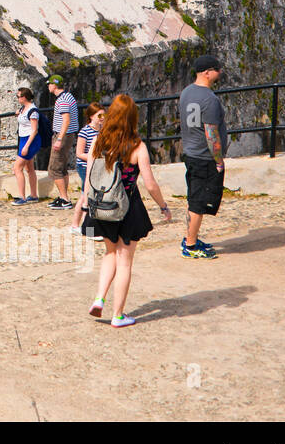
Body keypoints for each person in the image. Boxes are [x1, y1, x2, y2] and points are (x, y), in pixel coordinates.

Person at [84, 94, 173, 327]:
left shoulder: (98, 141)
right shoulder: (137, 146)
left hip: (102, 204)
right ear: (133, 118)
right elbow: (150, 184)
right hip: (127, 207)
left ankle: (99, 299)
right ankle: (118, 315)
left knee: (109, 253)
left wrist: (87, 204)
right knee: (125, 262)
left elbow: (89, 177)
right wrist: (163, 206)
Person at [177, 56, 227, 259]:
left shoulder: (186, 92)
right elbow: (211, 134)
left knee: (193, 198)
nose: (220, 72)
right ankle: (190, 246)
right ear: (207, 72)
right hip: (204, 157)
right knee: (198, 203)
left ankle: (191, 237)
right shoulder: (210, 99)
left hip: (190, 152)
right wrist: (219, 160)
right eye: (217, 69)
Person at [71, 102, 105, 238]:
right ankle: (79, 226)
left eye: (103, 115)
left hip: (97, 166)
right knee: (86, 196)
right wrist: (95, 157)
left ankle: (83, 226)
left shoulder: (102, 131)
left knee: (88, 196)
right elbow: (79, 153)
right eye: (99, 115)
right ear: (91, 116)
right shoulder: (84, 132)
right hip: (85, 167)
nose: (102, 118)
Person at [46, 75, 79, 210]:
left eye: (49, 84)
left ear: (54, 85)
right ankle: (63, 197)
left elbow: (66, 120)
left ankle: (65, 199)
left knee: (55, 168)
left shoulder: (63, 100)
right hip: (68, 135)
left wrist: (59, 139)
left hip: (62, 136)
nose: (48, 86)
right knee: (62, 167)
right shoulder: (68, 96)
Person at [12, 87, 41, 204]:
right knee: (29, 168)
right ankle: (33, 195)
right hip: (23, 139)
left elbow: (34, 130)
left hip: (30, 140)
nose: (18, 98)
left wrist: (26, 146)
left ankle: (22, 197)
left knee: (17, 168)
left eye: (19, 96)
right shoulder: (24, 108)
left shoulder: (33, 111)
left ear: (24, 97)